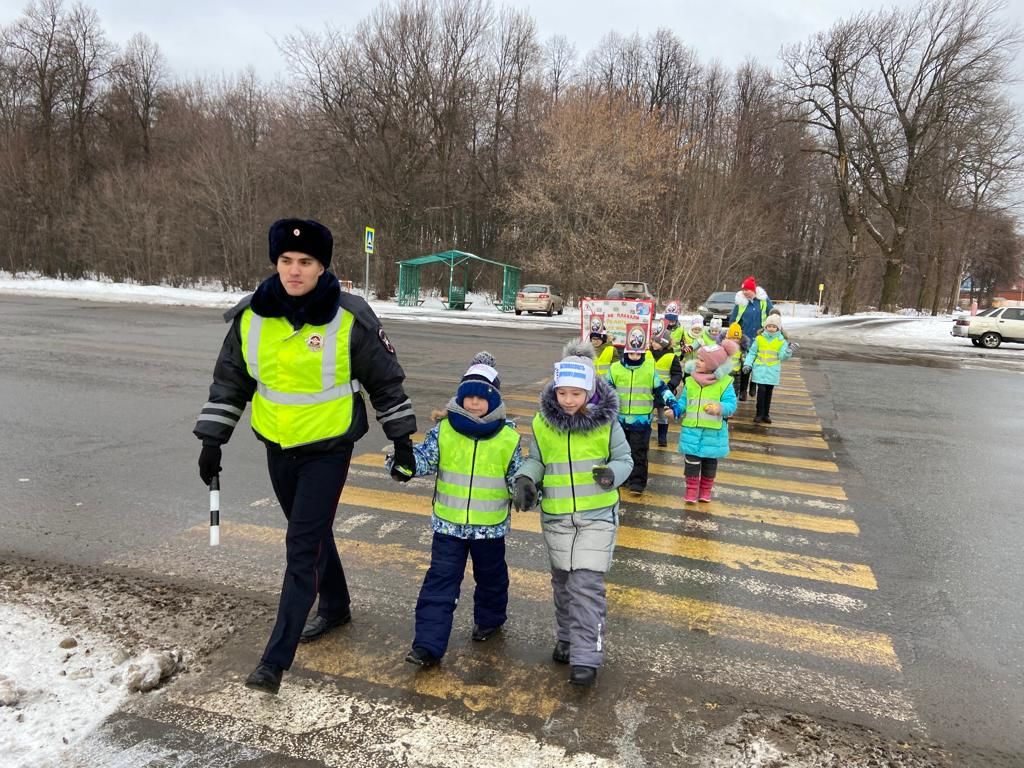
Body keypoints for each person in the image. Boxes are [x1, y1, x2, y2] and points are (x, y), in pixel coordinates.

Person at [193, 218, 417, 695]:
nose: (295, 271)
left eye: (306, 262)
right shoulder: (251, 316)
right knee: (309, 533)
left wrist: (401, 441)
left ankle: (274, 661)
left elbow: (385, 381)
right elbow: (231, 381)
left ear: (322, 267)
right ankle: (334, 605)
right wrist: (213, 440)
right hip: (276, 444)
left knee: (300, 547)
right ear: (276, 263)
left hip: (329, 448)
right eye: (287, 261)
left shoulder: (350, 317)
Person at [384, 352, 522, 668]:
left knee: (492, 578)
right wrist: (403, 462)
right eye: (468, 396)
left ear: (494, 400)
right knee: (440, 582)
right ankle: (427, 646)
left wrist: (527, 489)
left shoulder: (508, 437)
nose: (474, 403)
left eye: (481, 397)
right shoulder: (444, 431)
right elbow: (424, 460)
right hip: (448, 527)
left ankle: (490, 619)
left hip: (490, 528)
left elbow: (517, 476)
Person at [512, 340, 633, 687]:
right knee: (563, 584)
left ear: (590, 390)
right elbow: (536, 460)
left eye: (576, 393)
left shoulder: (606, 423)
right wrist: (525, 478)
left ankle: (586, 656)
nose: (568, 400)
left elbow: (625, 460)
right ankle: (566, 638)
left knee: (587, 585)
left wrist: (612, 475)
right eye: (562, 392)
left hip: (597, 516)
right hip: (557, 517)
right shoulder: (542, 424)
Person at [607, 340, 683, 493]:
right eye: (631, 353)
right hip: (619, 421)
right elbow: (605, 389)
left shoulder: (649, 369)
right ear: (626, 352)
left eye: (638, 353)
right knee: (619, 452)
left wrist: (673, 403)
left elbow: (662, 388)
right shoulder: (615, 369)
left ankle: (637, 482)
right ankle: (623, 477)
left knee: (639, 452)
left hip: (640, 422)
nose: (635, 357)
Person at [678, 341, 740, 503]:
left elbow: (731, 405)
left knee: (709, 464)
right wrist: (676, 410)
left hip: (714, 432)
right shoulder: (690, 381)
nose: (697, 362)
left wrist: (719, 407)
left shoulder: (725, 383)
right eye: (698, 358)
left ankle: (705, 491)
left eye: (702, 360)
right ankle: (691, 492)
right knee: (691, 463)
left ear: (713, 365)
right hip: (692, 430)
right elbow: (684, 401)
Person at [727, 276, 774, 398]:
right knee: (744, 363)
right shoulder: (741, 302)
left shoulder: (763, 301)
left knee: (757, 363)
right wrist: (733, 334)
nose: (744, 292)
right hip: (745, 337)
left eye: (746, 290)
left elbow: (772, 315)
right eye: (743, 290)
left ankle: (753, 385)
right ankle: (743, 390)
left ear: (752, 290)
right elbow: (734, 319)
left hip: (760, 337)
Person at [742, 314, 793, 425]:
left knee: (769, 392)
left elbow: (782, 357)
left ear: (778, 328)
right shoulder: (760, 339)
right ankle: (759, 413)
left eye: (774, 326)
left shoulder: (781, 341)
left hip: (772, 371)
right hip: (760, 369)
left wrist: (788, 352)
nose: (771, 328)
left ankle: (766, 414)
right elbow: (752, 353)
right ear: (765, 326)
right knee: (761, 391)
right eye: (769, 326)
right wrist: (747, 364)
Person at [649, 330, 682, 447]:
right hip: (649, 391)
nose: (653, 343)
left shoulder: (672, 357)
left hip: (664, 391)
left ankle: (662, 437)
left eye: (656, 342)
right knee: (647, 414)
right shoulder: (647, 354)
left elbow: (677, 374)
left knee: (663, 415)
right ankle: (646, 434)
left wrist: (671, 385)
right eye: (653, 340)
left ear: (663, 343)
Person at [719, 322, 750, 401]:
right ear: (728, 338)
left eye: (737, 338)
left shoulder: (741, 349)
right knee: (724, 388)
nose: (735, 340)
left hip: (736, 373)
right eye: (732, 338)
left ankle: (732, 401)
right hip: (726, 372)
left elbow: (744, 359)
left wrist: (744, 360)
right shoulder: (724, 347)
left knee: (735, 389)